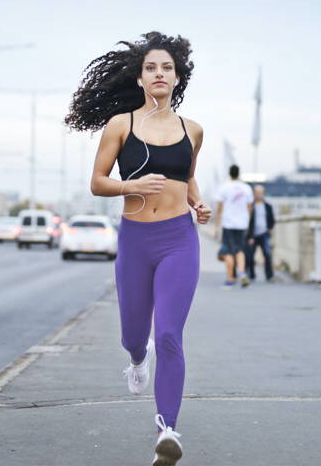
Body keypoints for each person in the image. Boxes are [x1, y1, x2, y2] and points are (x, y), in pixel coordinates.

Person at [65, 31, 211, 466]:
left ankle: (168, 429)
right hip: (135, 239)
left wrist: (197, 203)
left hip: (179, 240)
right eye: (151, 68)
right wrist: (131, 185)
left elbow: (187, 178)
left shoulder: (193, 130)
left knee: (168, 333)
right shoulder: (121, 125)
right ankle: (135, 358)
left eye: (167, 67)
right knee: (135, 334)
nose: (159, 73)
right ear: (141, 79)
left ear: (177, 76)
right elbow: (97, 182)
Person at [214, 164, 253, 287]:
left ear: (230, 174)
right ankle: (242, 273)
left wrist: (217, 226)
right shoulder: (246, 188)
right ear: (239, 173)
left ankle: (230, 278)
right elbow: (250, 207)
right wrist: (247, 220)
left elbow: (219, 208)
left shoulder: (224, 188)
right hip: (242, 223)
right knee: (240, 250)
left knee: (229, 252)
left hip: (228, 223)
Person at [246, 185, 275, 282]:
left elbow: (272, 220)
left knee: (267, 254)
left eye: (261, 192)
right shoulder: (250, 206)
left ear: (263, 193)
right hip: (253, 235)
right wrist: (249, 236)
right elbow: (248, 221)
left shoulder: (268, 206)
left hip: (264, 234)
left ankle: (269, 275)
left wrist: (268, 228)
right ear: (254, 193)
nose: (259, 194)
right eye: (257, 192)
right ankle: (251, 275)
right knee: (250, 255)